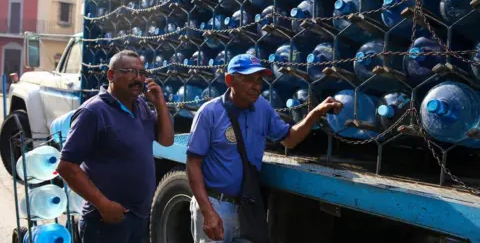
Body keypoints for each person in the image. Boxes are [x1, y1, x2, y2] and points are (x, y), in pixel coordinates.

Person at [186, 54, 343, 242]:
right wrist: (207, 211)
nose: (257, 86)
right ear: (230, 81)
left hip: (247, 207)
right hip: (216, 205)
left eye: (259, 79)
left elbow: (289, 139)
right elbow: (193, 164)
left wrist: (315, 113)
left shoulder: (263, 108)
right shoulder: (209, 113)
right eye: (248, 79)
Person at [57, 50, 174, 243]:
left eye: (142, 73)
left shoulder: (141, 106)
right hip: (105, 222)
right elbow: (66, 166)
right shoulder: (93, 112)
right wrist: (103, 205)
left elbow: (167, 140)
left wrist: (160, 104)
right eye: (130, 71)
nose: (138, 79)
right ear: (111, 75)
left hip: (138, 218)